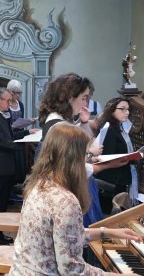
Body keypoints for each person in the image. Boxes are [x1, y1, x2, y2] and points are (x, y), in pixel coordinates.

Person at [7, 123, 144, 276]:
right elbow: (72, 271)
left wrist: (107, 232)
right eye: (85, 156)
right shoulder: (65, 201)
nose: (87, 162)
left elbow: (64, 238)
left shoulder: (40, 184)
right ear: (72, 159)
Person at [37, 72, 116, 227]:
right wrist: (101, 163)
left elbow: (75, 151)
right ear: (69, 97)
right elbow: (68, 168)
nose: (85, 103)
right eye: (84, 98)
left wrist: (84, 122)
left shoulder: (58, 120)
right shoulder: (59, 126)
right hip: (67, 191)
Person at [0, 87, 37, 244]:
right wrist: (23, 146)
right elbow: (1, 142)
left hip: (6, 167)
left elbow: (11, 136)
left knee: (3, 202)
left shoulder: (1, 116)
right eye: (8, 100)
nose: (10, 103)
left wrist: (28, 133)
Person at [95, 97, 138, 206]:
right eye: (122, 109)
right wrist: (129, 157)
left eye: (128, 109)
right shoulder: (109, 129)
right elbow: (106, 156)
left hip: (121, 177)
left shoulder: (122, 128)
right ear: (112, 110)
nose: (127, 112)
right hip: (112, 180)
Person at [6, 79, 35, 184]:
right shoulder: (6, 106)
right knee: (13, 163)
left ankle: (20, 183)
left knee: (21, 162)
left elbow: (20, 121)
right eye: (15, 93)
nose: (17, 95)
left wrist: (28, 121)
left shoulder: (20, 105)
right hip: (11, 136)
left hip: (20, 136)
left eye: (19, 93)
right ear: (10, 92)